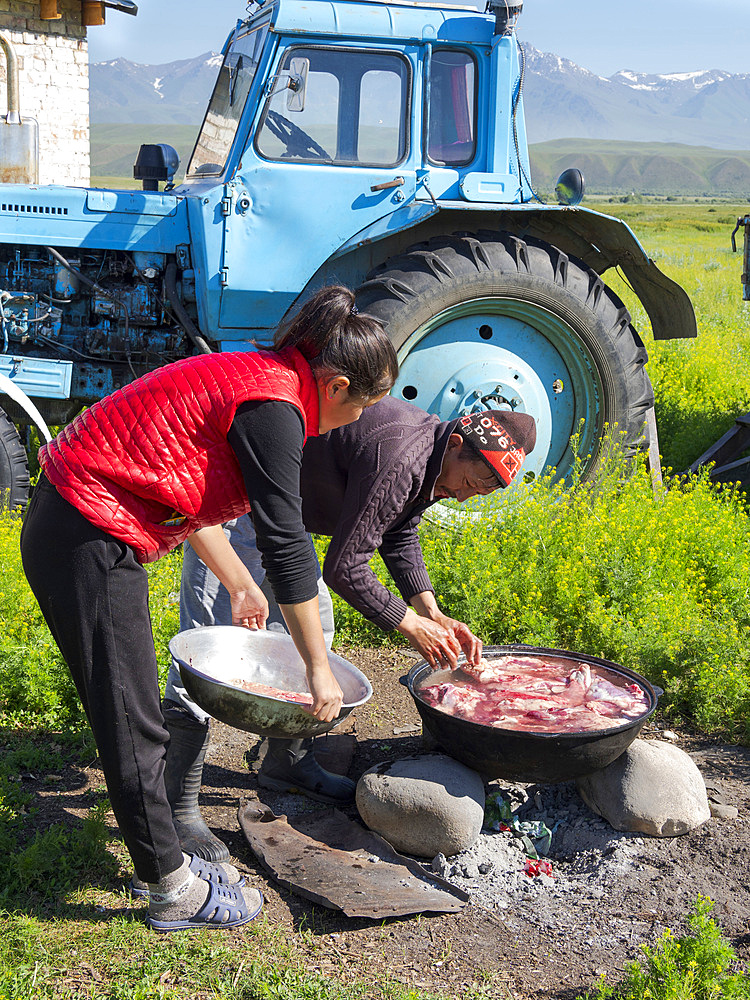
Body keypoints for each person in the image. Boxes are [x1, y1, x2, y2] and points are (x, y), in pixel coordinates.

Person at [19, 285, 398, 932]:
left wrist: (239, 584)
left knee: (131, 716)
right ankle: (174, 890)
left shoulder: (261, 381)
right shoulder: (275, 406)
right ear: (333, 385)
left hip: (83, 523)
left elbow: (172, 479)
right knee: (132, 723)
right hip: (85, 532)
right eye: (363, 405)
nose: (360, 420)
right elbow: (287, 545)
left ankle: (170, 866)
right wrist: (317, 666)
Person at [164, 397, 537, 861]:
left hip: (287, 516)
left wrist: (432, 611)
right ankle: (175, 808)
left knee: (314, 628)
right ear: (457, 444)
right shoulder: (402, 452)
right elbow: (345, 568)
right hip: (235, 502)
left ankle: (286, 762)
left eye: (478, 494)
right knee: (202, 656)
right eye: (469, 483)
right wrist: (409, 625)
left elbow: (397, 531)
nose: (463, 497)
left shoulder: (434, 459)